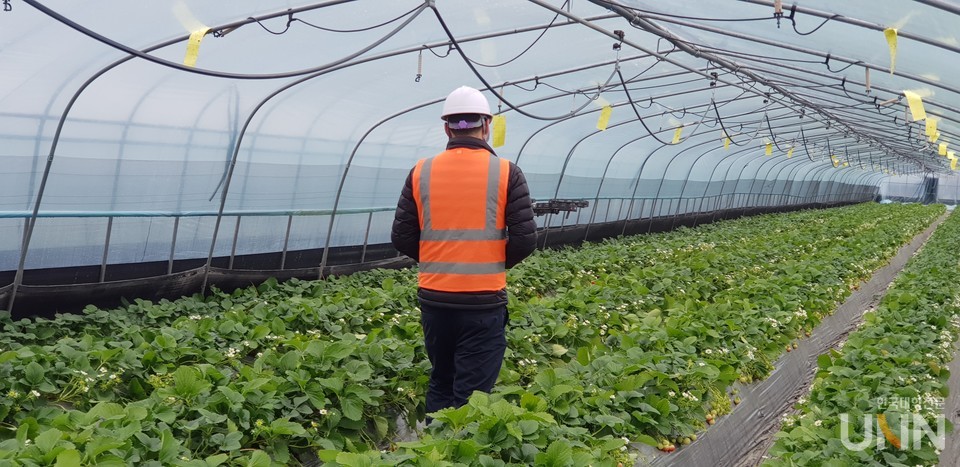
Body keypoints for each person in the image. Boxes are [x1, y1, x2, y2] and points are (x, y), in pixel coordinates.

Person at [391, 86, 538, 417]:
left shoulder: (421, 171)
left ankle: (433, 450)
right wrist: (490, 262)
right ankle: (457, 452)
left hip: (435, 299)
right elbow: (525, 239)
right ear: (486, 125)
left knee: (442, 378)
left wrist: (439, 260)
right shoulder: (506, 172)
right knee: (472, 397)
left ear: (446, 127)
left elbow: (401, 236)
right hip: (482, 302)